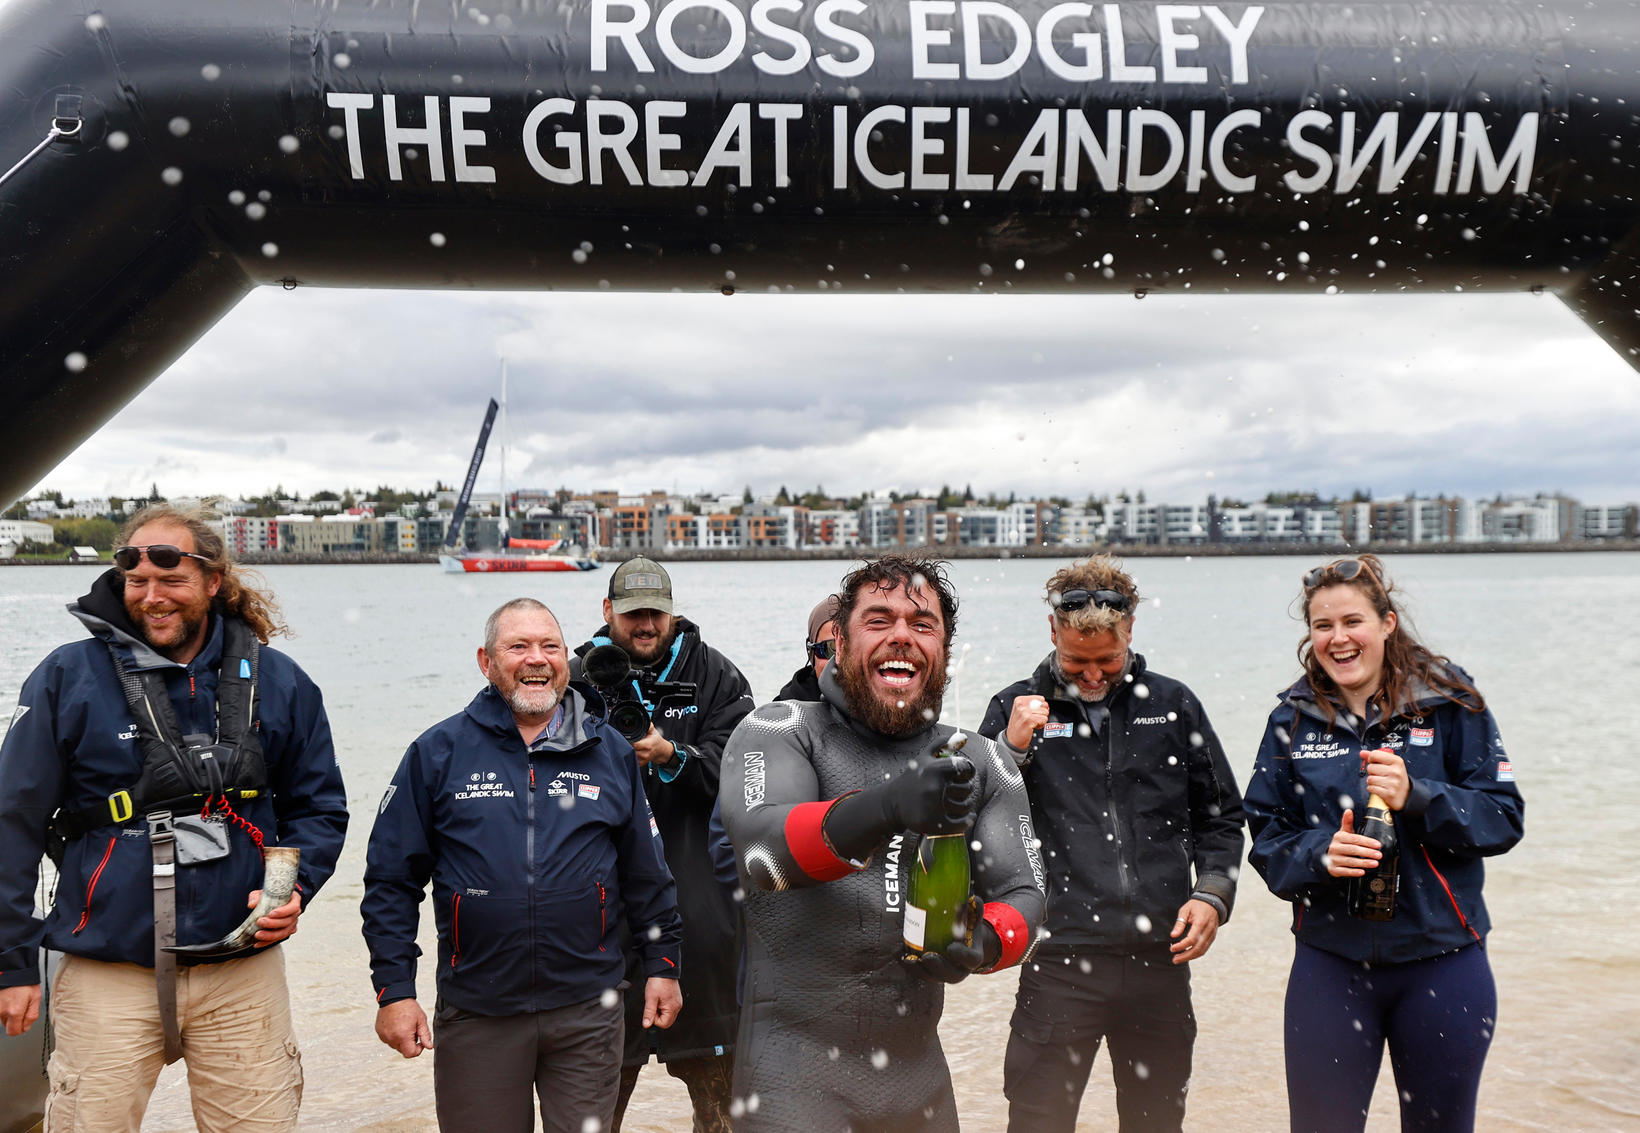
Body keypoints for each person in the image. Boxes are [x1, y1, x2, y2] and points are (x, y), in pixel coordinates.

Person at [0, 504, 348, 1133]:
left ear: (213, 581)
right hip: (106, 972)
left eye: (171, 580)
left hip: (241, 976)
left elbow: (319, 808)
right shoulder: (67, 677)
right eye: (136, 582)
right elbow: (12, 823)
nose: (152, 596)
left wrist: (293, 888)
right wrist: (13, 961)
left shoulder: (281, 681)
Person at [719, 553, 1046, 1132]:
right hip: (792, 1078)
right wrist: (888, 807)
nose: (901, 636)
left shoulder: (982, 760)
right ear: (840, 646)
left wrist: (988, 940)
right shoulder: (780, 729)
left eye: (923, 624)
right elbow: (763, 858)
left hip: (919, 1085)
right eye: (878, 620)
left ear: (944, 650)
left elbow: (1028, 893)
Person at [362, 597, 683, 1133]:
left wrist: (664, 966)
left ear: (566, 659)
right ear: (486, 662)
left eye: (550, 646)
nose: (537, 659)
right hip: (478, 1012)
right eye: (518, 646)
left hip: (588, 1011)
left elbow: (647, 875)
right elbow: (391, 882)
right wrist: (394, 990)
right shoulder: (437, 752)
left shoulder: (609, 752)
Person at [1243, 555, 1525, 1133]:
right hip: (1331, 965)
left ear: (1387, 623)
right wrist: (1320, 855)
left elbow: (1502, 818)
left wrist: (1418, 796)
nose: (1338, 638)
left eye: (1353, 622)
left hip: (1443, 962)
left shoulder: (1450, 703)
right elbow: (1267, 839)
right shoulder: (1291, 720)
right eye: (1323, 626)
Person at [978, 555, 1245, 1133]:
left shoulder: (1173, 705)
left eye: (1108, 660)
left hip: (1161, 960)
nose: (1094, 676)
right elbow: (979, 823)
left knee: (1156, 1123)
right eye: (1078, 662)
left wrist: (1212, 894)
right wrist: (1009, 751)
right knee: (1038, 1122)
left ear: (1131, 631)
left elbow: (1222, 818)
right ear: (1053, 631)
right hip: (1059, 959)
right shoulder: (1013, 708)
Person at [568, 557, 753, 1133]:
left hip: (702, 922)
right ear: (608, 611)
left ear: (672, 612)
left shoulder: (718, 676)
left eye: (656, 613)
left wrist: (675, 756)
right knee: (591, 1108)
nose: (645, 625)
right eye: (632, 614)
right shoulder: (572, 679)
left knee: (724, 1111)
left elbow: (747, 775)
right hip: (599, 925)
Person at [773, 593, 840, 701]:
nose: (840, 661)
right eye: (831, 648)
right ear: (811, 653)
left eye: (850, 649)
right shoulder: (787, 707)